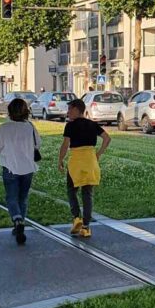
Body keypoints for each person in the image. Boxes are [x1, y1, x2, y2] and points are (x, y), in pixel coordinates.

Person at [58, 98, 111, 238]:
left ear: (76, 110)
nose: (68, 112)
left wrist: (60, 159)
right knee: (87, 194)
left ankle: (76, 218)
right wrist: (98, 153)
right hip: (90, 161)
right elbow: (107, 138)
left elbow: (65, 145)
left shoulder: (70, 126)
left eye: (69, 109)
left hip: (76, 161)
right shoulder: (92, 125)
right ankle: (86, 227)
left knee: (71, 189)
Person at [0, 98, 41, 245]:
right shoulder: (30, 127)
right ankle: (20, 222)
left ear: (10, 111)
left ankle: (17, 220)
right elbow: (38, 144)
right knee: (23, 197)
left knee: (11, 197)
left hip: (10, 167)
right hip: (27, 168)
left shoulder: (3, 128)